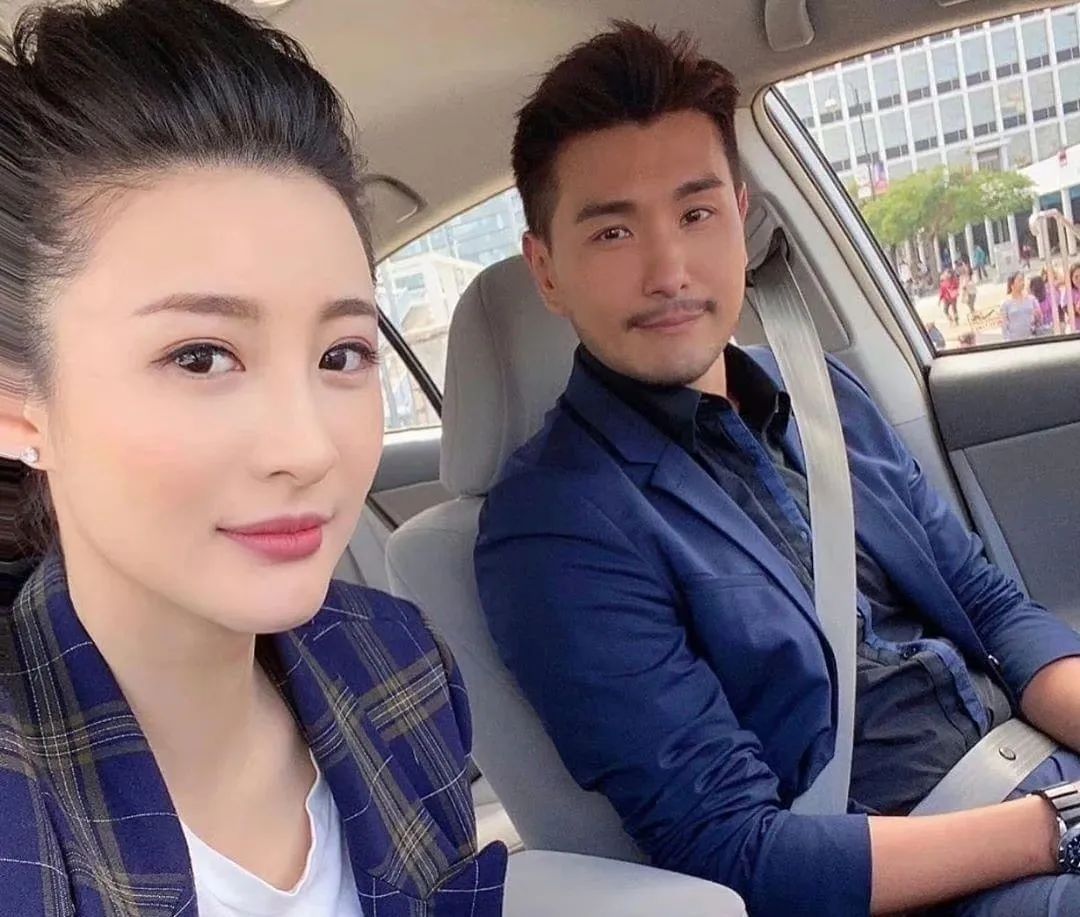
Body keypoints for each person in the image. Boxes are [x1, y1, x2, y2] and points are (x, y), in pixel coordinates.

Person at [475, 21, 1080, 917]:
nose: (669, 269)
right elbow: (734, 847)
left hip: (1040, 783)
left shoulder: (826, 397)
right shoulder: (553, 526)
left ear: (739, 217)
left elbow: (990, 607)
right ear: (548, 271)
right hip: (919, 879)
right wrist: (1055, 827)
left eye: (696, 214)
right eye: (612, 232)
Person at [0, 2, 509, 914]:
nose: (307, 448)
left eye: (341, 355)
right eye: (201, 357)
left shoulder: (401, 666)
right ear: (16, 406)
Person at [1000, 272, 1041, 342]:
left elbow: (1039, 318)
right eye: (1019, 280)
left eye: (1023, 280)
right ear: (1012, 284)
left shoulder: (1031, 299)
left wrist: (1037, 316)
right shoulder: (1005, 303)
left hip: (1031, 338)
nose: (1022, 283)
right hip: (1014, 340)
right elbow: (1004, 325)